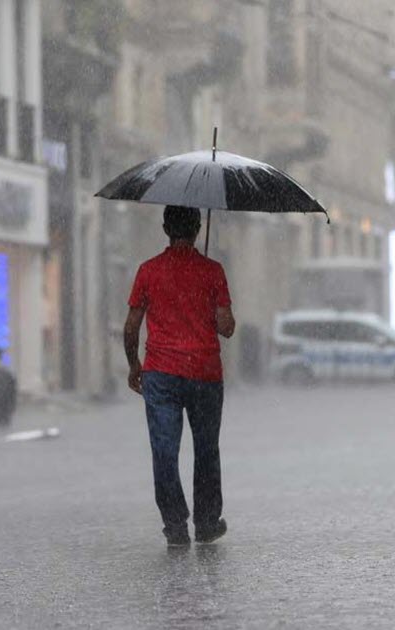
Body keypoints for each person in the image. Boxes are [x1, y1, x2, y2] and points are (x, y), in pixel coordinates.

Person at [124, 205, 236, 546]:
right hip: (204, 373)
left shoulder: (148, 271)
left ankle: (175, 525)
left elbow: (131, 327)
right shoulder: (213, 271)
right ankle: (205, 523)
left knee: (164, 450)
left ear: (165, 228)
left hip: (161, 374)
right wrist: (209, 309)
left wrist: (134, 365)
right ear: (198, 228)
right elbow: (227, 327)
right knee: (206, 450)